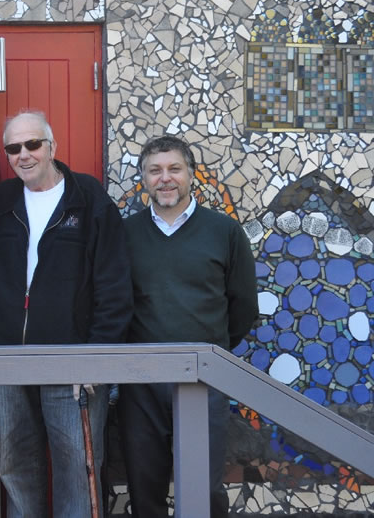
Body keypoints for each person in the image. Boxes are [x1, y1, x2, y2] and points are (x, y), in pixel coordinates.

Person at [0, 110, 133, 518]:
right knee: (14, 464)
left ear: (53, 147)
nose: (24, 154)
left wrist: (96, 355)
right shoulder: (0, 202)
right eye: (13, 147)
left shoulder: (88, 198)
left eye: (33, 144)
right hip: (8, 360)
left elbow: (114, 284)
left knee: (77, 464)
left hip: (72, 361)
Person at [119, 135, 257, 518]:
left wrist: (211, 349)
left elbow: (244, 305)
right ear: (144, 179)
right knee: (144, 486)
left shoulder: (224, 232)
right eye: (155, 170)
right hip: (140, 381)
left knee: (204, 487)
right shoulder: (124, 235)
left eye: (174, 169)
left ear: (191, 175)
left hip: (204, 379)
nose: (165, 179)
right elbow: (112, 302)